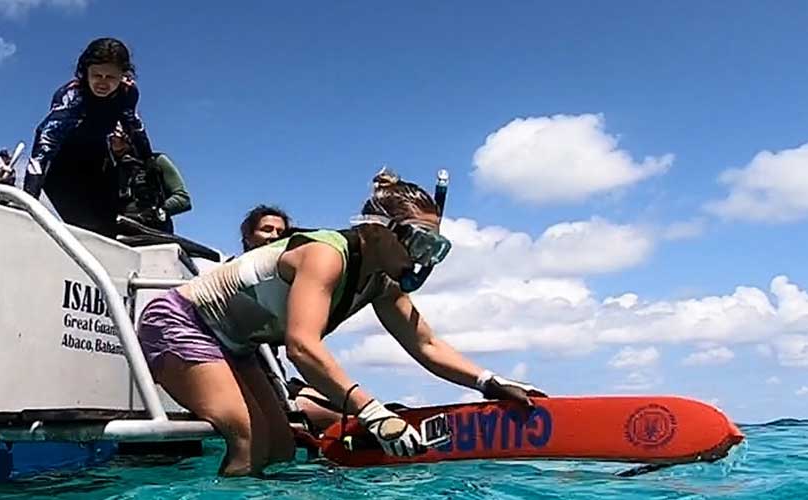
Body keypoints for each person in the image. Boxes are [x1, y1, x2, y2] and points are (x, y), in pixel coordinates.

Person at [134, 170, 548, 477]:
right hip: (181, 322)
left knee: (279, 449)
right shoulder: (325, 256)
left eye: (434, 246)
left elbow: (426, 344)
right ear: (376, 232)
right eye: (419, 241)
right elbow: (302, 346)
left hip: (236, 345)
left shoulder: (381, 283)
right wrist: (372, 412)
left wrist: (489, 382)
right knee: (246, 438)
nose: (424, 258)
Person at [28, 37, 152, 236]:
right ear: (85, 73)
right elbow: (44, 145)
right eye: (96, 75)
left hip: (96, 160)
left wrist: (149, 160)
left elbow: (133, 124)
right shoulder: (72, 98)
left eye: (110, 77)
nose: (102, 82)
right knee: (88, 226)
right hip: (62, 169)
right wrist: (30, 199)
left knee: (114, 223)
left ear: (123, 75)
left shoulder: (128, 93)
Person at [111, 126, 187, 234]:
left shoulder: (157, 162)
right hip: (121, 232)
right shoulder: (112, 170)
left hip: (154, 233)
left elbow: (182, 198)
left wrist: (158, 211)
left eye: (117, 132)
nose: (113, 136)